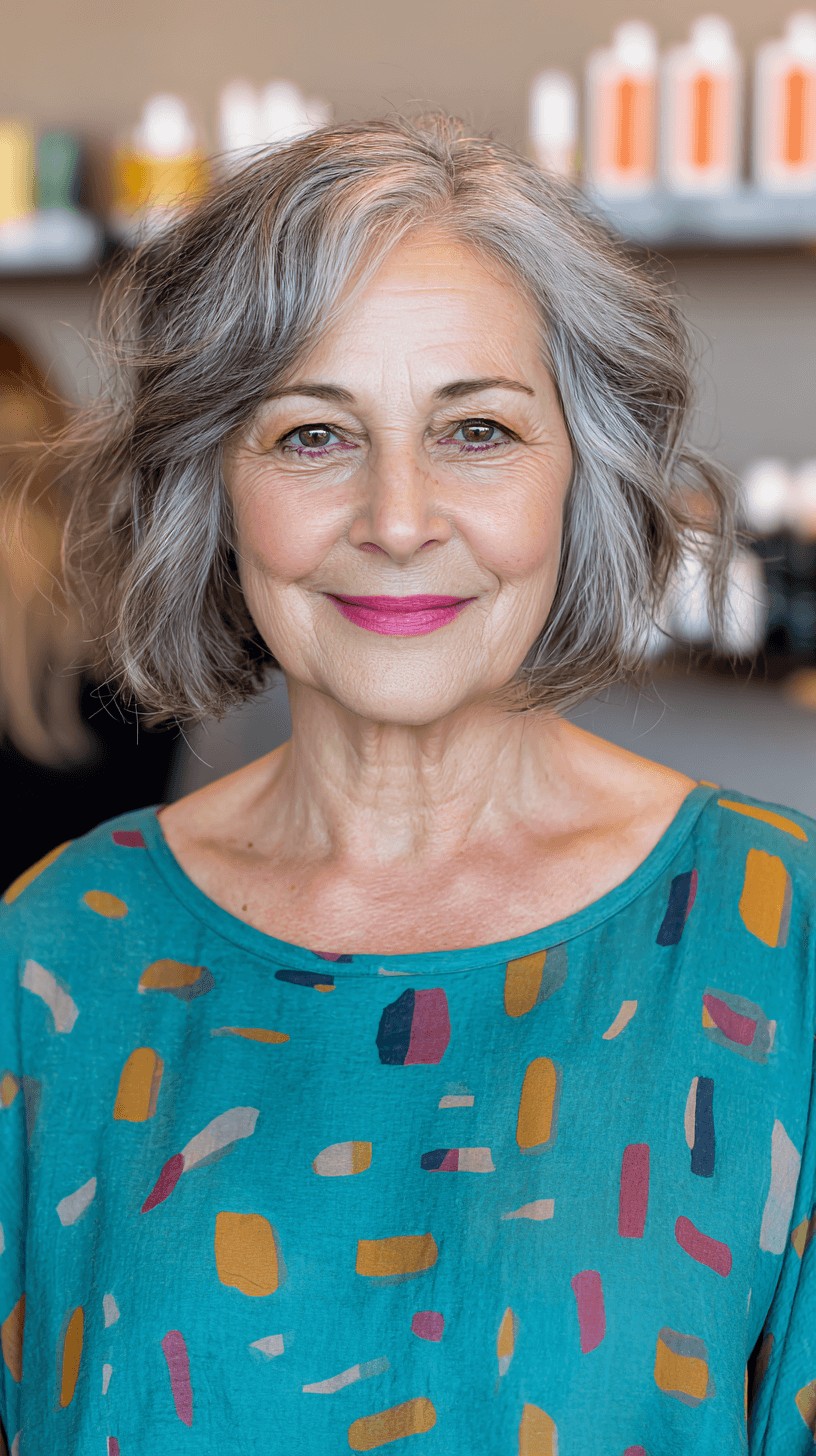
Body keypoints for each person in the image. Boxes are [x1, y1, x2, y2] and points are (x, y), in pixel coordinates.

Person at [1, 113, 814, 1456]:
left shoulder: (780, 936)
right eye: (313, 436)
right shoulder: (56, 955)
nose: (396, 519)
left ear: (584, 472)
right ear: (215, 485)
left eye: (477, 431)